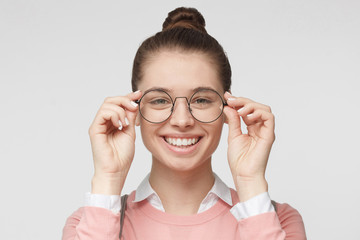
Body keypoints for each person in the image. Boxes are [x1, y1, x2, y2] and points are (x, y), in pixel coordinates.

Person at [62, 7, 306, 240]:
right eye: (159, 100)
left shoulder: (280, 221)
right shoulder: (85, 225)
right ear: (134, 109)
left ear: (227, 108)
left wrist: (250, 181)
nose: (181, 120)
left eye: (201, 100)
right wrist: (108, 176)